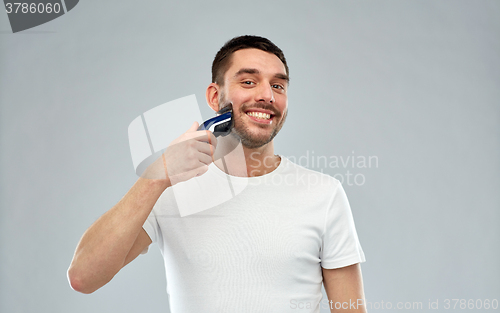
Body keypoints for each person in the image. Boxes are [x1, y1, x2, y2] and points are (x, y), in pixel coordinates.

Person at [68, 35, 367, 313]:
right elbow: (84, 276)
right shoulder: (170, 188)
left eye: (278, 86)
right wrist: (157, 176)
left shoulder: (323, 194)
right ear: (215, 97)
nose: (267, 95)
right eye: (249, 82)